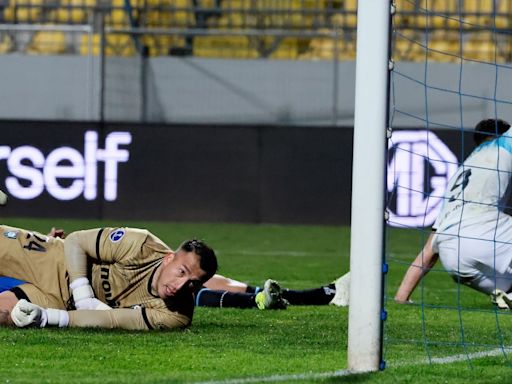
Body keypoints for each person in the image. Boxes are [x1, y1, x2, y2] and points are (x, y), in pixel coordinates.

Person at [0, 224, 218, 330]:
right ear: (169, 259)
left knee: (6, 315)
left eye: (192, 283)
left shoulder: (175, 316)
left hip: (60, 303)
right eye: (181, 272)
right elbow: (76, 241)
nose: (180, 286)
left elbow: (112, 320)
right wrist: (83, 294)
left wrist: (47, 317)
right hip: (54, 260)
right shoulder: (140, 245)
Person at [394, 118, 512, 308]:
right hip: (483, 231)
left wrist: (401, 297)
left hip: (453, 258)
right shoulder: (505, 142)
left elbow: (428, 252)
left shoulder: (461, 172)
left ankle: (507, 295)